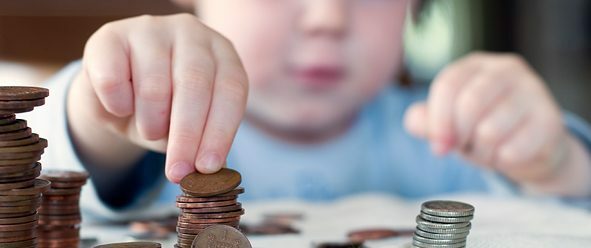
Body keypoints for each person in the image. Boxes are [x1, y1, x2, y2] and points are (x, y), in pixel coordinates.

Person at [28, 0, 591, 220]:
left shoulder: (449, 134)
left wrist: (554, 159)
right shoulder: (158, 117)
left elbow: (568, 200)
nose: (328, 15)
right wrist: (106, 111)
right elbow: (43, 164)